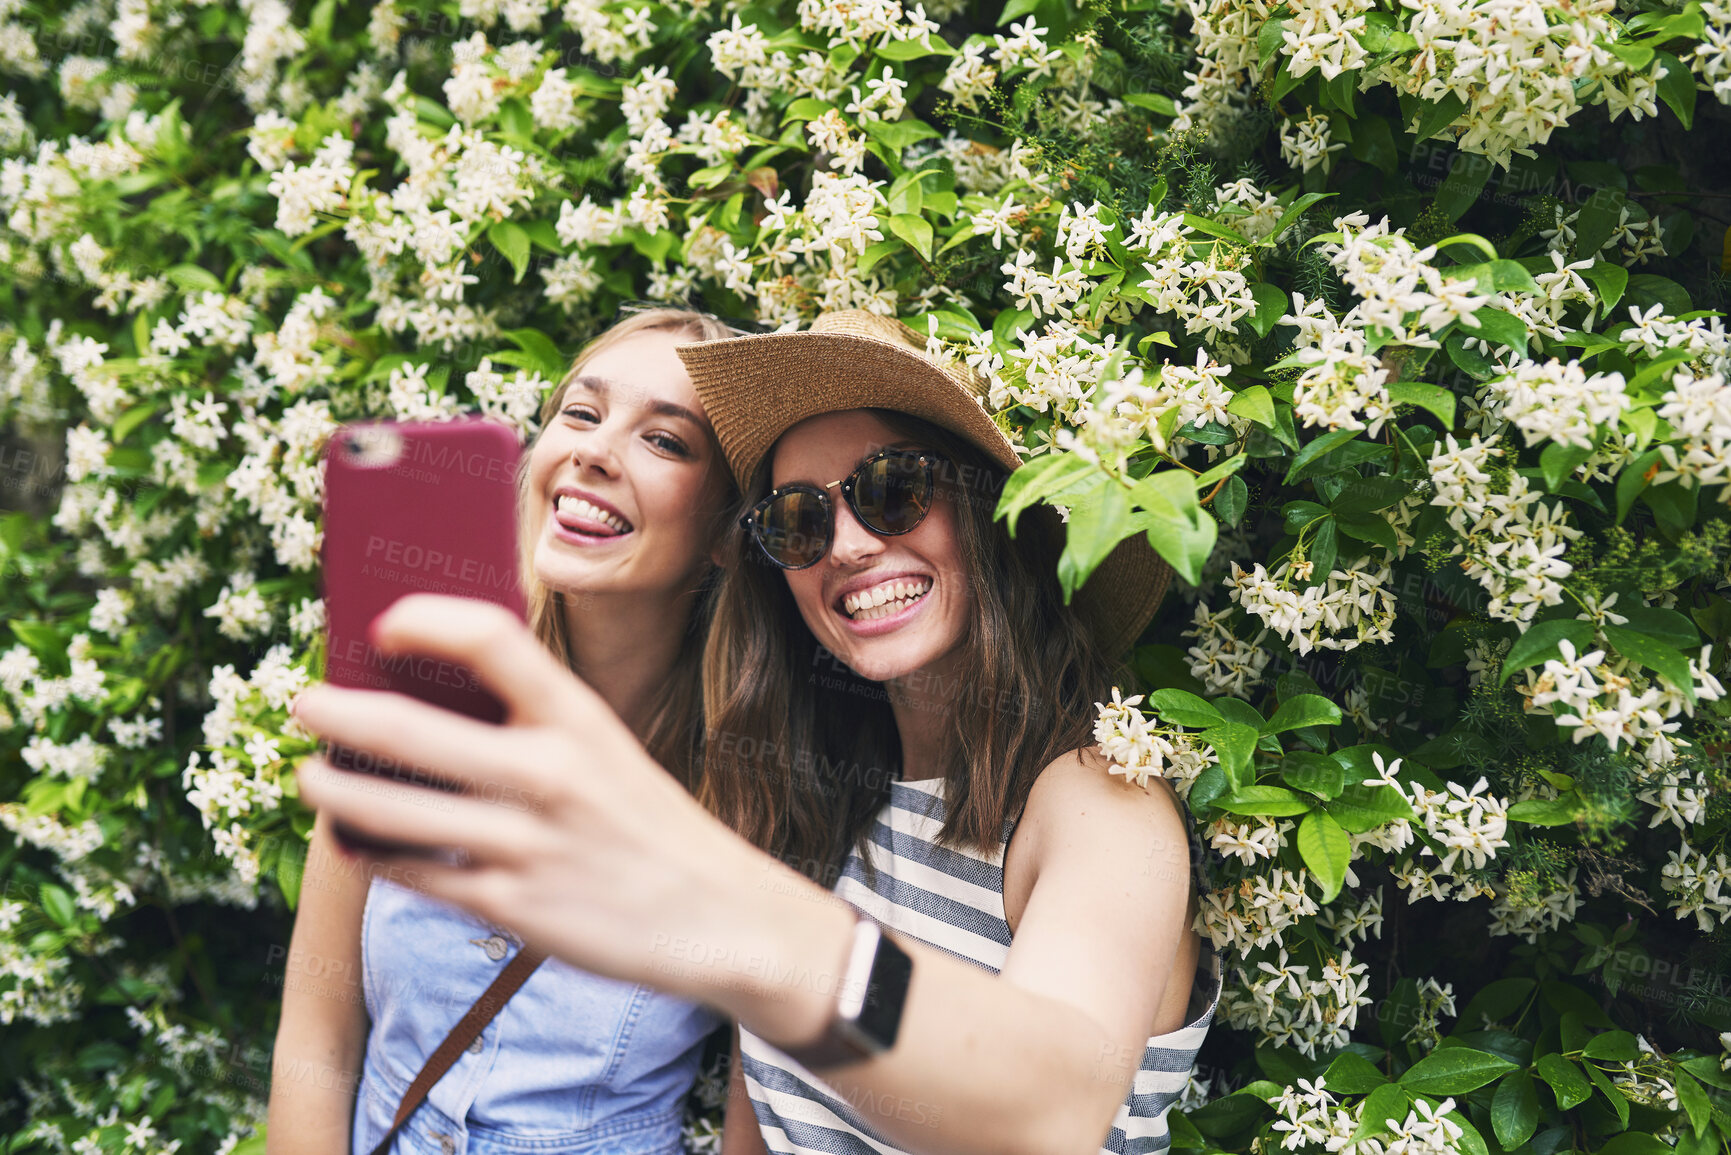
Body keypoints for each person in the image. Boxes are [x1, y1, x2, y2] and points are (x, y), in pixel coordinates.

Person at [291, 311, 1219, 1155]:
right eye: (798, 518)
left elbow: (1048, 1107)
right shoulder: (823, 798)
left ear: (987, 508)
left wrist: (713, 903)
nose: (848, 544)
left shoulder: (1098, 803)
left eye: (893, 489)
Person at [266, 306, 738, 1155]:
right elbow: (315, 1036)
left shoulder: (752, 786)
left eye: (665, 440)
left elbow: (763, 1121)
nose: (595, 450)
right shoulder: (411, 706)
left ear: (725, 533)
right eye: (582, 414)